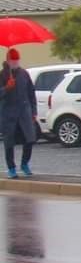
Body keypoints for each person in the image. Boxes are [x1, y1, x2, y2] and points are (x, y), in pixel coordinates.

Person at [0, 49, 37, 179]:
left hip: (24, 112)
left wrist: (34, 111)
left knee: (30, 139)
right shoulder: (2, 75)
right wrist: (6, 88)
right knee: (9, 143)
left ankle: (24, 163)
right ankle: (11, 168)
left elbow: (31, 93)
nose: (15, 63)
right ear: (8, 60)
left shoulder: (24, 74)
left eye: (17, 60)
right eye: (13, 60)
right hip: (8, 114)